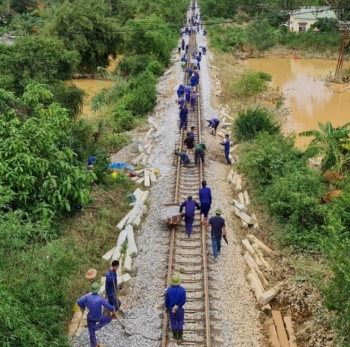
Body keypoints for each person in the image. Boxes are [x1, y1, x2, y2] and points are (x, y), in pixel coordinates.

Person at [77, 282, 116, 347]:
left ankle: (94, 345)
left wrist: (83, 306)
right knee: (108, 319)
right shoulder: (100, 298)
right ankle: (95, 328)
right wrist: (113, 308)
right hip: (99, 316)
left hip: (90, 316)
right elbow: (108, 306)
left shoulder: (87, 297)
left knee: (91, 332)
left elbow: (78, 301)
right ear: (98, 290)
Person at [165, 274, 187, 341]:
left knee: (173, 321)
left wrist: (167, 307)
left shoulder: (169, 290)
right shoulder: (182, 290)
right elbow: (183, 300)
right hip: (179, 308)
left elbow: (167, 300)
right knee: (180, 321)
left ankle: (175, 335)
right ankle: (180, 336)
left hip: (171, 309)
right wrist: (178, 305)